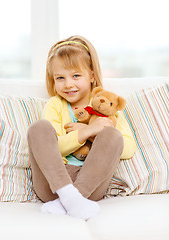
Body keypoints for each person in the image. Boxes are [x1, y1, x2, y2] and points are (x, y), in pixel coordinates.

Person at [27, 35, 136, 220]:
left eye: (76, 75)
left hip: (90, 185)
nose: (68, 84)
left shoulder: (109, 106)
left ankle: (72, 199)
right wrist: (86, 131)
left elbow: (127, 149)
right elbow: (55, 147)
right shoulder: (55, 104)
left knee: (113, 134)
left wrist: (96, 134)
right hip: (52, 183)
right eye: (60, 78)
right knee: (39, 128)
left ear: (92, 76)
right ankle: (69, 197)